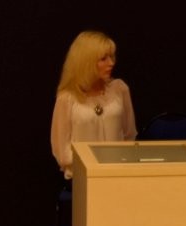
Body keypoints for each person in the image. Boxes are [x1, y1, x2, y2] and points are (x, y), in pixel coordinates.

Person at [51, 31, 136, 179]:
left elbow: (129, 134)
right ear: (86, 62)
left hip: (118, 174)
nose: (111, 63)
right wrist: (91, 168)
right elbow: (62, 150)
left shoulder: (119, 90)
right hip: (83, 178)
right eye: (103, 59)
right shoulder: (67, 98)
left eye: (111, 57)